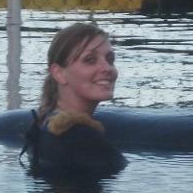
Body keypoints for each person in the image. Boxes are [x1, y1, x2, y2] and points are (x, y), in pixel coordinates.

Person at [23, 22, 126, 181]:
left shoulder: (43, 125)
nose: (107, 68)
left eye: (110, 59)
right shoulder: (82, 138)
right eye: (90, 60)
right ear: (58, 73)